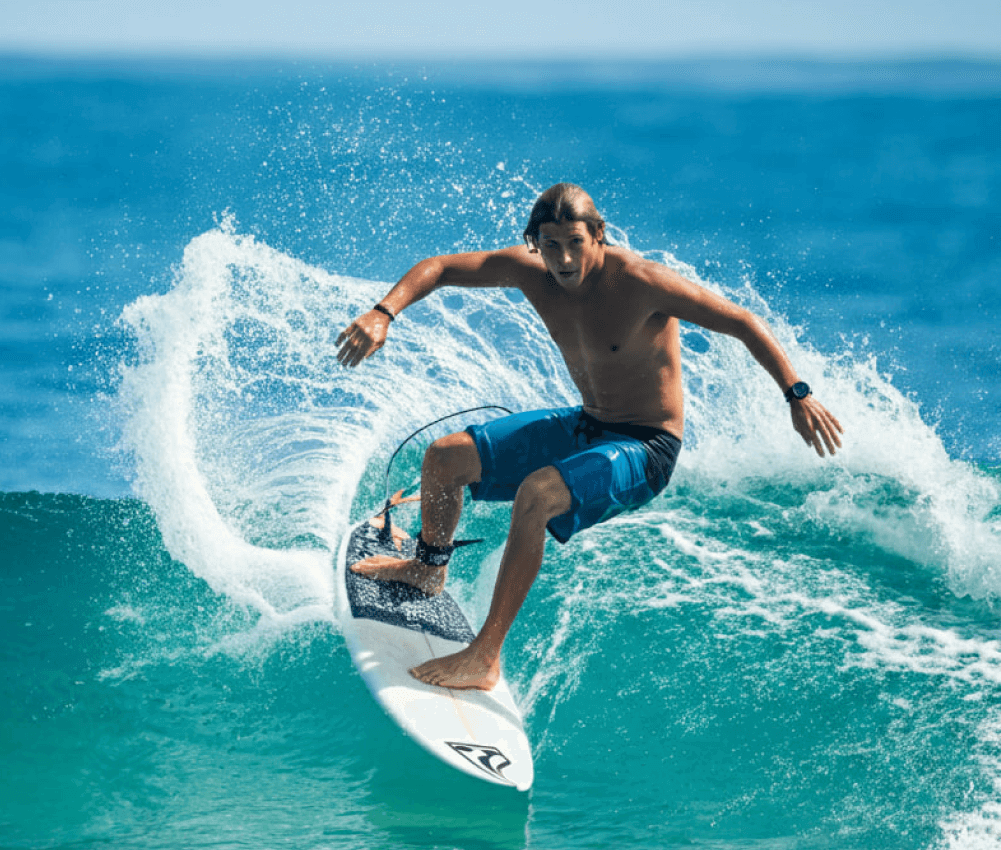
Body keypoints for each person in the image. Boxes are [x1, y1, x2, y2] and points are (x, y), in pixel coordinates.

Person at [335, 183, 844, 691]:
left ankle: (485, 657)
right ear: (534, 242)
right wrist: (384, 313)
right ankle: (428, 570)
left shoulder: (642, 282)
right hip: (589, 424)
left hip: (647, 446)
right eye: (551, 245)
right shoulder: (530, 272)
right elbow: (441, 268)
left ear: (599, 235)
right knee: (446, 457)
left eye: (576, 242)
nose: (563, 258)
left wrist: (796, 394)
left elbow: (742, 322)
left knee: (538, 494)